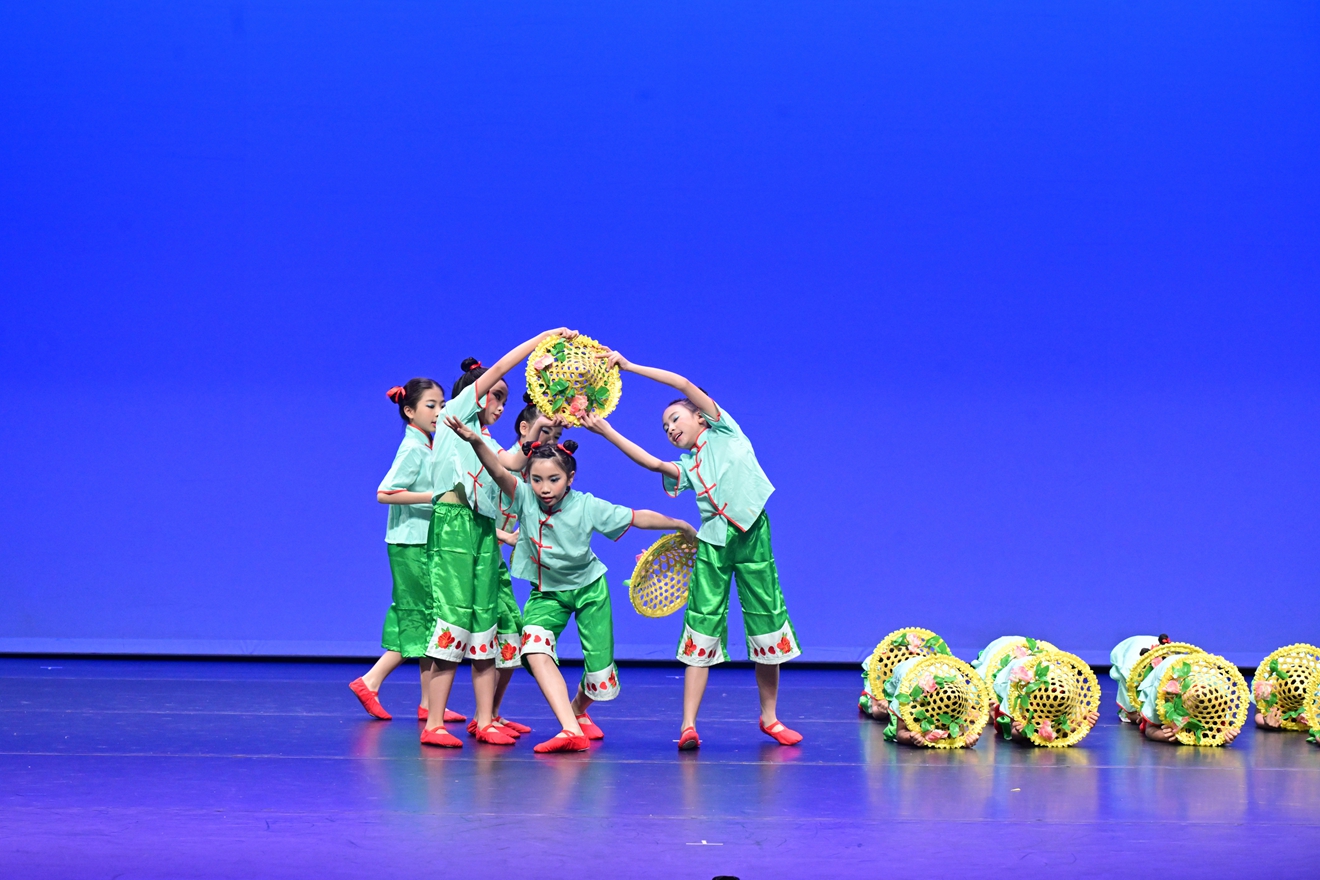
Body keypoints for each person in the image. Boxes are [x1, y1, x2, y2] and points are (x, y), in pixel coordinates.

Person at [581, 351, 801, 750]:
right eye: (664, 426)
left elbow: (682, 384)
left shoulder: (724, 430)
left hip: (752, 536)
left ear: (701, 415)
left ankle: (770, 718)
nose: (669, 428)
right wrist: (607, 431)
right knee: (702, 627)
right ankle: (688, 726)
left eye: (675, 419)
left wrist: (630, 367)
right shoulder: (688, 466)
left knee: (767, 622)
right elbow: (652, 464)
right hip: (712, 545)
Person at [447, 415, 696, 753]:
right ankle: (570, 729)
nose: (545, 488)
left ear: (570, 478)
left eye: (554, 479)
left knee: (599, 676)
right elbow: (498, 471)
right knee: (533, 648)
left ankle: (577, 711)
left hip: (590, 591)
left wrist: (679, 523)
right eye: (537, 479)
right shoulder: (524, 497)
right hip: (547, 595)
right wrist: (476, 441)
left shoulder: (587, 505)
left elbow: (637, 517)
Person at [419, 329, 576, 748]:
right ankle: (434, 723)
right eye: (496, 395)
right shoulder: (455, 415)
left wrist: (539, 427)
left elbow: (510, 461)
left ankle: (485, 719)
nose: (501, 405)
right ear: (475, 394)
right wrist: (542, 340)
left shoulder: (483, 438)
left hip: (482, 529)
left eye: (505, 399)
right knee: (454, 616)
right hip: (454, 525)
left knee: (485, 620)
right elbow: (503, 366)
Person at [349, 380, 445, 722]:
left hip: (421, 541)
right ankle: (370, 681)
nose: (438, 412)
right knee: (422, 617)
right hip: (410, 543)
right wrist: (436, 498)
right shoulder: (413, 448)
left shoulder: (426, 444)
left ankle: (428, 702)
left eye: (442, 404)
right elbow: (385, 493)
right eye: (430, 405)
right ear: (409, 411)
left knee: (426, 616)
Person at [1109, 635, 1168, 724]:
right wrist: (1134, 712)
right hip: (1130, 654)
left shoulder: (1172, 667)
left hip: (1160, 664)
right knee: (1133, 714)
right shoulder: (1129, 669)